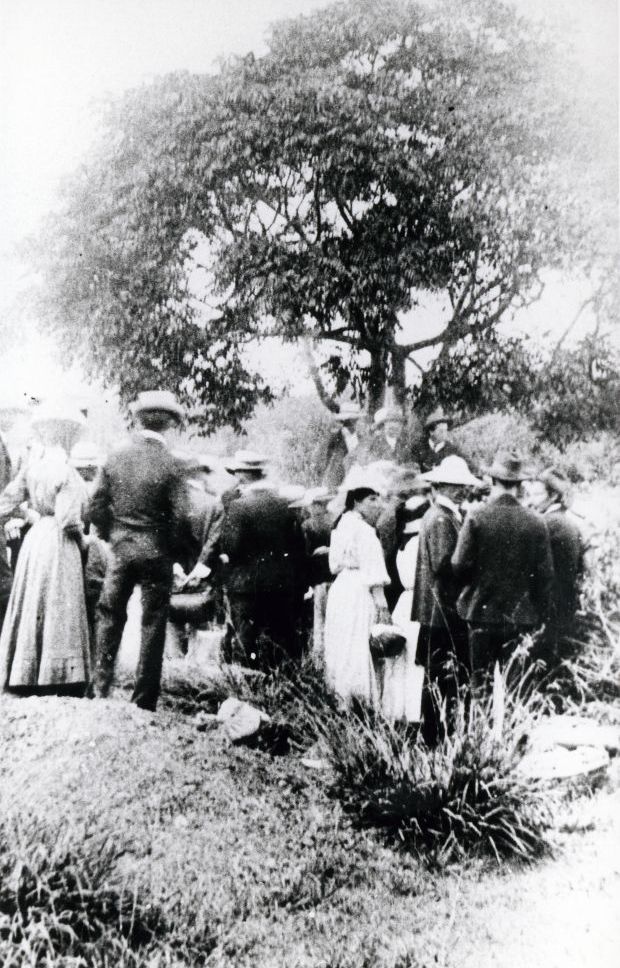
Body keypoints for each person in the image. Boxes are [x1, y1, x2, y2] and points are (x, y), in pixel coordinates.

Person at [89, 390, 191, 711]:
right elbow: (180, 517)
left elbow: (96, 505)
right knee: (153, 622)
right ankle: (144, 700)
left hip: (121, 549)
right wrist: (171, 552)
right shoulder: (172, 465)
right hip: (156, 553)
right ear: (170, 424)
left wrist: (112, 535)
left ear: (137, 419)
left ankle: (100, 688)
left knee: (109, 615)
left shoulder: (115, 456)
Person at [0, 406, 90, 695]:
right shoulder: (67, 472)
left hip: (35, 539)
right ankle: (58, 676)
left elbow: (6, 500)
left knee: (33, 600)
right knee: (58, 601)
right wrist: (85, 542)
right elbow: (69, 520)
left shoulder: (33, 468)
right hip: (59, 543)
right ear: (67, 437)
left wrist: (30, 516)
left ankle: (25, 670)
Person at [451, 452, 554, 693]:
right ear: (519, 485)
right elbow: (545, 576)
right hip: (520, 617)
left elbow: (458, 565)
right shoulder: (536, 521)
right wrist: (536, 609)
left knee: (481, 687)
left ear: (493, 481)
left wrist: (474, 587)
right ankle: (514, 731)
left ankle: (481, 730)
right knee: (516, 688)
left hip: (480, 613)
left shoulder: (476, 517)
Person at [411, 456, 481, 745]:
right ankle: (435, 737)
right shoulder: (441, 517)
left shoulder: (442, 514)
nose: (463, 491)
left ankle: (435, 735)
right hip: (443, 610)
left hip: (438, 609)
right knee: (441, 677)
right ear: (445, 486)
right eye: (458, 486)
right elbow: (443, 563)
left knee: (438, 677)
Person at [219, 451, 307, 670]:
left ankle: (248, 686)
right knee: (280, 638)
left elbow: (231, 547)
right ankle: (282, 684)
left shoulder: (239, 506)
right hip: (280, 584)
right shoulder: (283, 505)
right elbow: (297, 546)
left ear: (244, 476)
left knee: (246, 639)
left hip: (247, 584)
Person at [323, 473, 390, 706]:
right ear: (356, 502)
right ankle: (360, 700)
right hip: (358, 591)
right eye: (372, 499)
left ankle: (342, 698)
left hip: (342, 588)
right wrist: (382, 606)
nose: (377, 505)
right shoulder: (363, 530)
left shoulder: (341, 525)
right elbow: (374, 574)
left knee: (343, 644)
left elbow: (333, 565)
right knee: (357, 643)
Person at [527, 467, 585, 662]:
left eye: (536, 494)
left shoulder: (545, 524)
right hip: (566, 606)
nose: (531, 500)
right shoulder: (570, 523)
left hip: (547, 609)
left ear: (553, 496)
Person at [382, 495, 429, 724]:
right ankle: (413, 713)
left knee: (401, 663)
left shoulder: (401, 543)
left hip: (404, 604)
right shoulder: (417, 543)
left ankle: (396, 711)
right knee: (414, 663)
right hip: (417, 603)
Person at [322, 403, 365, 489]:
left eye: (354, 420)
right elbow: (326, 459)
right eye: (347, 421)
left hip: (359, 479)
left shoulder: (360, 437)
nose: (351, 423)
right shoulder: (334, 438)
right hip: (337, 481)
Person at [418, 407, 465, 472]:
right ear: (431, 432)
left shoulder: (452, 450)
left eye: (445, 430)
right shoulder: (418, 448)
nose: (444, 434)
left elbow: (469, 466)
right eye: (441, 431)